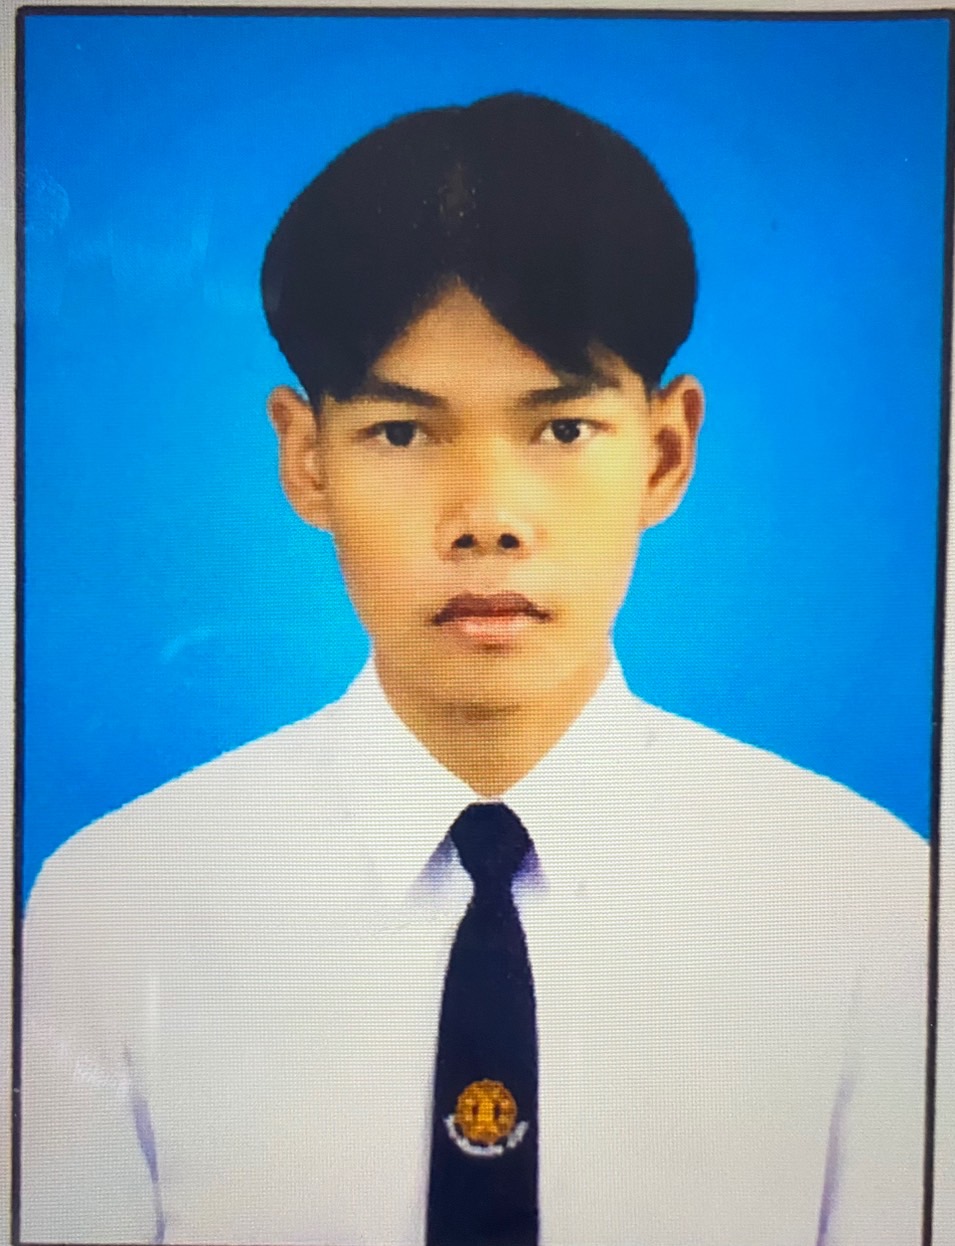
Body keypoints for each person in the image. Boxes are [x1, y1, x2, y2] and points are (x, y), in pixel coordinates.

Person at [20, 92, 929, 1246]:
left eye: (561, 429)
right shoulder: (114, 906)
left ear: (664, 452)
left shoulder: (870, 905)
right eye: (402, 432)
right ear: (306, 460)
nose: (487, 517)